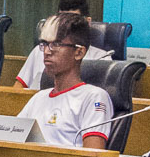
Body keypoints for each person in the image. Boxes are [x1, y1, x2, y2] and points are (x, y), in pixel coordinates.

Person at [15, 14, 110, 149]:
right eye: (45, 44)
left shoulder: (94, 97)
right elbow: (11, 140)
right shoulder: (38, 98)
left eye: (56, 44)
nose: (47, 51)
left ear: (79, 52)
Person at [15, 0, 111, 88]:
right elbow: (17, 89)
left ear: (87, 22)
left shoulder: (102, 59)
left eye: (72, 21)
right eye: (61, 20)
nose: (64, 26)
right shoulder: (40, 51)